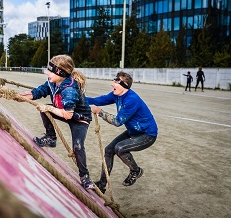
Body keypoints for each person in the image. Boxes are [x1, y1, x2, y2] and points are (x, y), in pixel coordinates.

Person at [19, 55, 94, 190]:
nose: (47, 73)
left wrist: (49, 107)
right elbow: (39, 91)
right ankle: (51, 138)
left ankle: (85, 177)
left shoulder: (70, 89)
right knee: (45, 110)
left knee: (77, 146)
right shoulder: (52, 82)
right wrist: (21, 96)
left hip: (79, 119)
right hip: (64, 111)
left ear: (61, 73)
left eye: (51, 71)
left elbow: (67, 114)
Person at [86, 71, 158, 194]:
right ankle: (102, 185)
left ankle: (135, 170)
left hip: (147, 135)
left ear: (124, 84)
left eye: (115, 81)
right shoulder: (116, 95)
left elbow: (117, 121)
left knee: (120, 148)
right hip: (133, 131)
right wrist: (77, 98)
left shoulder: (131, 99)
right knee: (109, 150)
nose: (112, 84)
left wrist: (99, 112)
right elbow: (97, 100)